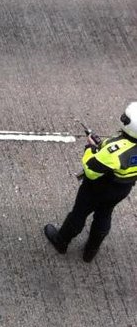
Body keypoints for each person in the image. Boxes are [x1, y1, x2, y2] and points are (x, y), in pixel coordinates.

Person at [44, 103, 137, 262]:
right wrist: (101, 146)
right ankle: (90, 251)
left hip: (98, 188)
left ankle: (61, 242)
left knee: (79, 213)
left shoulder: (115, 151)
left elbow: (91, 170)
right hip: (122, 188)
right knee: (105, 214)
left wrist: (90, 148)